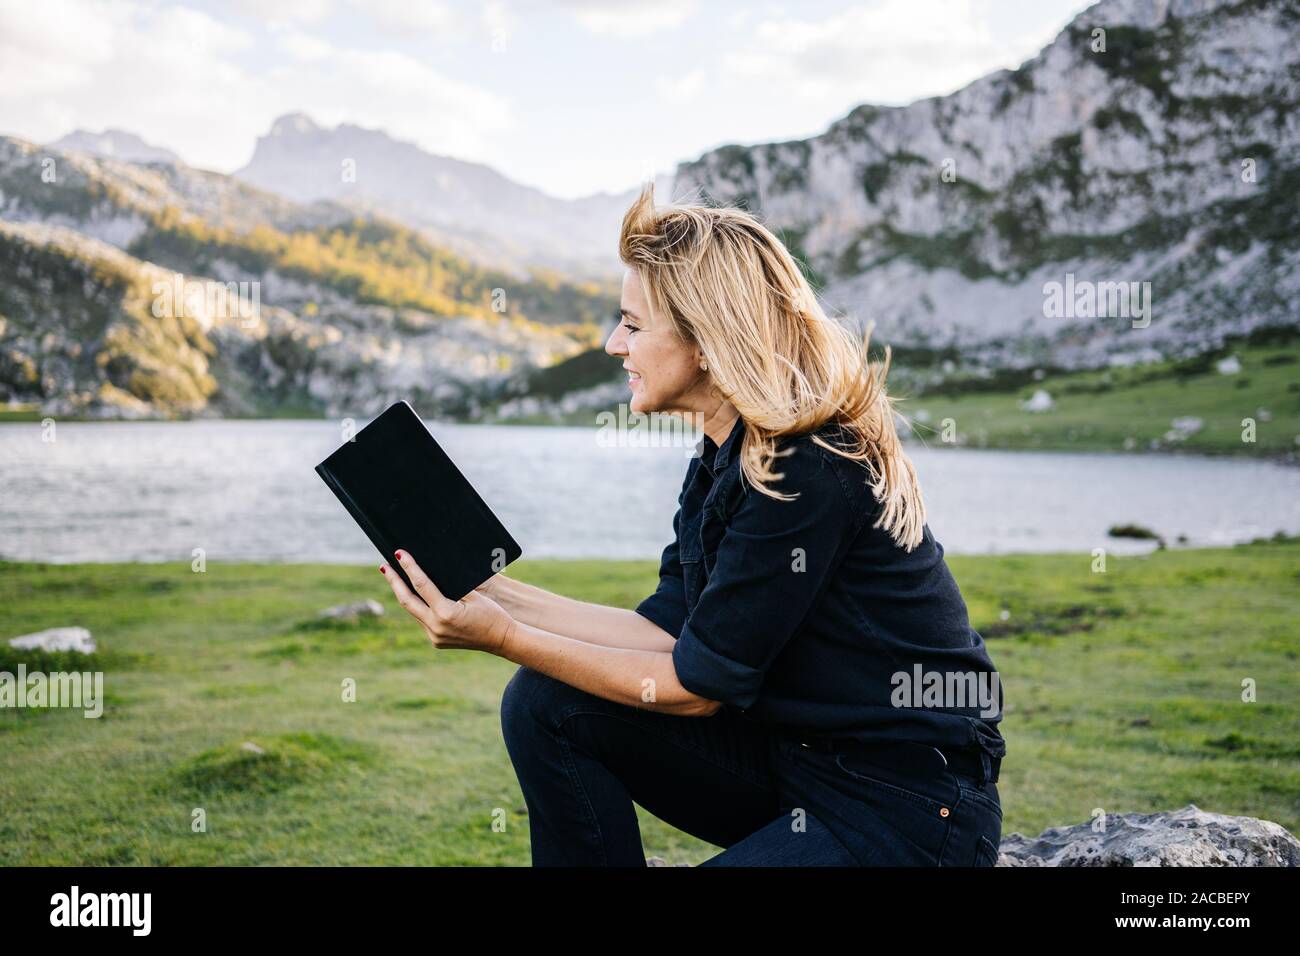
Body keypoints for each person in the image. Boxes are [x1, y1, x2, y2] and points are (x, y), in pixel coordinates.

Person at [380, 183, 1006, 866]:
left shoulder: (807, 465)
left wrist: (502, 636)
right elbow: (668, 631)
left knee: (537, 675)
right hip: (792, 767)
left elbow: (697, 688)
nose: (615, 344)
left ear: (706, 339)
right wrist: (490, 592)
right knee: (545, 701)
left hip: (906, 807)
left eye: (633, 324)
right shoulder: (725, 451)